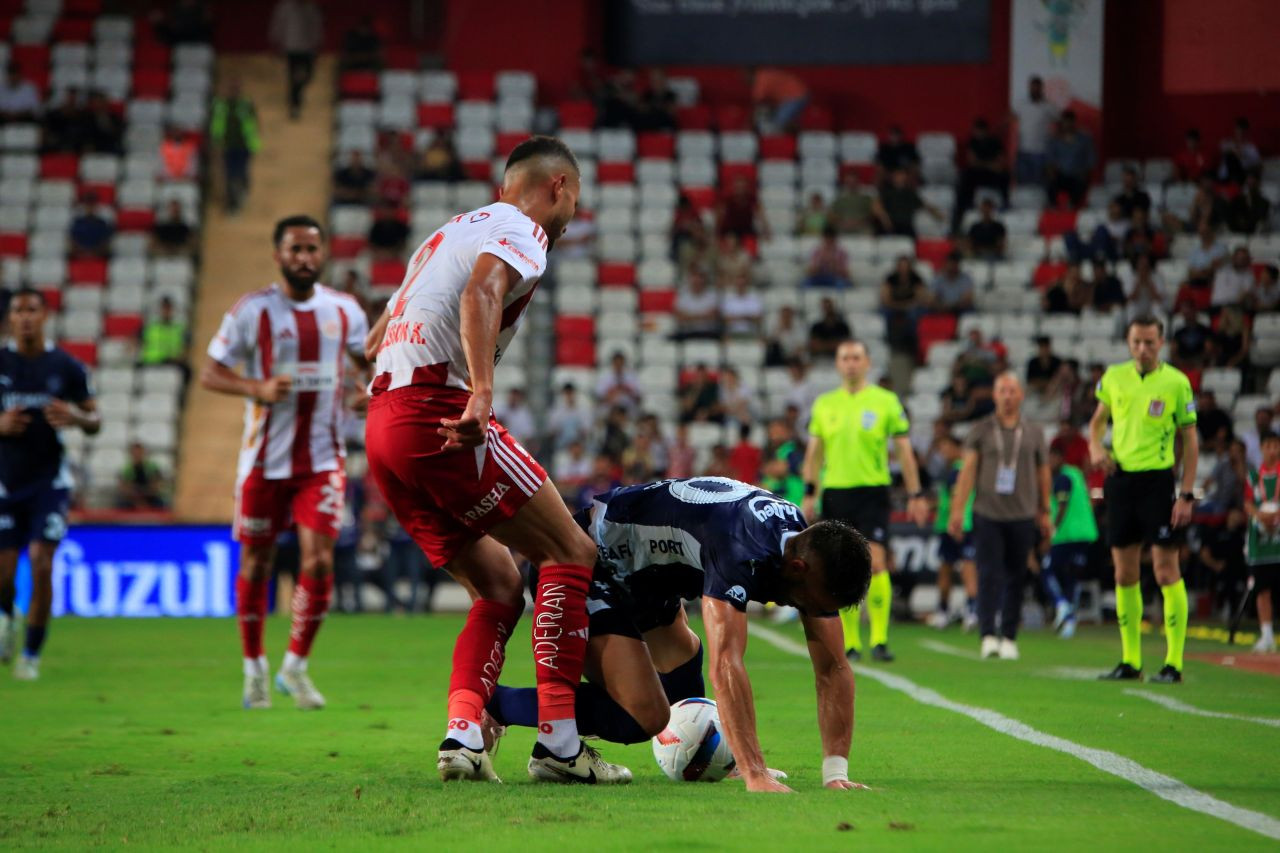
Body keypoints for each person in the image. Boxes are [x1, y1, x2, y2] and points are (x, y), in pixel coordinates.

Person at [363, 137, 629, 784]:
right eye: (576, 199)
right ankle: (560, 744)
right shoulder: (524, 226)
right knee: (572, 549)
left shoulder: (449, 231)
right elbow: (481, 291)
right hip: (438, 412)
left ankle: (463, 735)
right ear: (559, 185)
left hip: (383, 427)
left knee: (500, 586)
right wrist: (480, 391)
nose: (572, 216)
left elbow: (373, 337)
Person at [487, 477, 873, 793]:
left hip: (645, 580)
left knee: (683, 662)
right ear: (799, 568)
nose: (812, 611)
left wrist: (835, 773)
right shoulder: (740, 547)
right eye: (813, 602)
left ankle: (734, 760)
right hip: (586, 563)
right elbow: (728, 665)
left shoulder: (800, 540)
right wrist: (756, 772)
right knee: (643, 716)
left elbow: (833, 667)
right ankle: (495, 704)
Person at [200, 215, 370, 711]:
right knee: (257, 562)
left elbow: (368, 371)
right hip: (262, 461)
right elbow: (210, 372)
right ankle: (253, 667)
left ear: (323, 254)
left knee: (319, 559)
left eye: (312, 249)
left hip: (322, 459)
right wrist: (254, 387)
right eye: (295, 249)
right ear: (278, 255)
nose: (304, 258)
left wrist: (366, 394)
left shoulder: (345, 311)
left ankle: (294, 668)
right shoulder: (253, 311)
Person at [802, 340, 929, 662]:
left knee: (877, 562)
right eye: (845, 358)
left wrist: (915, 493)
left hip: (873, 492)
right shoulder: (824, 404)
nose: (851, 363)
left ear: (867, 363)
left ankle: (880, 639)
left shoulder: (885, 401)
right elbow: (814, 453)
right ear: (837, 364)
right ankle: (852, 643)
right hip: (836, 492)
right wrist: (810, 491)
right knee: (840, 567)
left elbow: (904, 451)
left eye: (856, 357)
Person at [1089, 316, 1198, 683]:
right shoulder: (1114, 377)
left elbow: (1191, 440)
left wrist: (1186, 493)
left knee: (1166, 570)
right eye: (1137, 342)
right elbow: (1097, 422)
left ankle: (1174, 663)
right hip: (1120, 481)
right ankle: (1131, 661)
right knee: (1124, 572)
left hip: (1157, 482)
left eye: (1150, 342)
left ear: (1161, 342)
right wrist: (1094, 446)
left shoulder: (1176, 382)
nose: (1143, 349)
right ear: (1128, 340)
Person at [0, 289, 100, 679]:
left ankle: (31, 656)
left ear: (45, 316)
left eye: (32, 310)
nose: (25, 317)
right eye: (18, 311)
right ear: (10, 318)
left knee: (42, 565)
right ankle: (7, 621)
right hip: (6, 484)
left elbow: (96, 422)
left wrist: (75, 417)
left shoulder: (67, 367)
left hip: (50, 484)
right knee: (4, 578)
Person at [948, 373, 1050, 660]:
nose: (1007, 396)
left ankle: (1009, 635)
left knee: (1017, 576)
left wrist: (1045, 510)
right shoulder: (980, 429)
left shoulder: (1033, 432)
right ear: (994, 395)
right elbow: (967, 472)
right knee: (988, 574)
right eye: (1002, 390)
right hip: (987, 513)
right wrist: (958, 511)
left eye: (1012, 391)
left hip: (1023, 513)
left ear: (1021, 395)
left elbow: (1043, 472)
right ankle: (988, 634)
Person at [1038, 445, 1099, 639]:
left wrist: (1051, 534)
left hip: (1067, 535)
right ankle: (1070, 622)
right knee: (1071, 576)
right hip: (1084, 534)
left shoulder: (1063, 478)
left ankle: (1061, 604)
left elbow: (1062, 507)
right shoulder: (1075, 474)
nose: (1049, 462)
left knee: (1047, 570)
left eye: (1052, 458)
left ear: (1060, 458)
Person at [930, 434, 977, 631]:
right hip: (951, 525)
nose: (942, 452)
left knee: (966, 569)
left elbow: (956, 498)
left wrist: (954, 522)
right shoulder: (952, 471)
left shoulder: (959, 471)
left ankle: (969, 611)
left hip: (959, 526)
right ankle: (950, 611)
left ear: (956, 447)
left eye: (945, 447)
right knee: (948, 568)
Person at [1243, 432, 1280, 653]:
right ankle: (1266, 635)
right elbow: (1247, 502)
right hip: (1259, 539)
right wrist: (1260, 516)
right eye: (1268, 446)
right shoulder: (1254, 476)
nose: (1272, 450)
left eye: (1276, 446)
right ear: (1262, 449)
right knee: (1262, 588)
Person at [210, 80, 261, 213]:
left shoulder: (246, 104)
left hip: (244, 145)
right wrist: (217, 142)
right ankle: (232, 202)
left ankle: (243, 192)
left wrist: (254, 143)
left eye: (236, 89)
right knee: (230, 175)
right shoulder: (221, 105)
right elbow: (216, 125)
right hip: (228, 145)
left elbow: (253, 124)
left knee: (242, 171)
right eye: (232, 89)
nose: (234, 92)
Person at [953, 117, 1009, 233]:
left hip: (992, 174)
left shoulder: (995, 141)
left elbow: (1000, 162)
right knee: (965, 176)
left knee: (1004, 175)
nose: (977, 133)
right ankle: (963, 208)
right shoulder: (972, 142)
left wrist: (983, 164)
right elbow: (971, 161)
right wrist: (988, 164)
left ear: (985, 131)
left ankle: (1006, 203)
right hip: (978, 174)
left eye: (978, 131)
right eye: (975, 131)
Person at [269, 0, 322, 119]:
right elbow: (277, 25)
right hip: (291, 47)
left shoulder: (311, 8)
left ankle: (296, 96)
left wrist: (317, 44)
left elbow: (316, 26)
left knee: (307, 76)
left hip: (307, 48)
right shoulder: (284, 7)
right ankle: (295, 104)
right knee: (293, 77)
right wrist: (275, 43)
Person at [1011, 75, 1056, 184]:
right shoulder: (1021, 104)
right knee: (1022, 181)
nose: (1034, 90)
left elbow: (1059, 122)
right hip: (1023, 151)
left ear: (1041, 89)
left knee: (1038, 182)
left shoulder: (1048, 106)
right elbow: (1010, 117)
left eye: (1037, 88)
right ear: (1029, 88)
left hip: (1040, 152)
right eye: (1032, 88)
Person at [1044, 110, 1095, 207]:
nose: (1067, 125)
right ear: (1062, 123)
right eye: (1065, 122)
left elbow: (1091, 159)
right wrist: (1051, 170)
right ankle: (1053, 205)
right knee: (1049, 178)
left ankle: (1072, 204)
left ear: (1074, 122)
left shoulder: (1085, 139)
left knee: (1082, 179)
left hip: (1077, 175)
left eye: (1070, 122)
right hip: (1060, 175)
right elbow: (1049, 159)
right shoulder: (1054, 140)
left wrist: (1085, 170)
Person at [139, 296, 189, 377]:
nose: (165, 311)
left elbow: (185, 349)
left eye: (168, 308)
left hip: (171, 362)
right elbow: (136, 342)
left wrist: (179, 357)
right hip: (150, 362)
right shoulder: (150, 327)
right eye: (164, 308)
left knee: (187, 370)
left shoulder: (179, 328)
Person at [749, 67, 809, 134]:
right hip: (791, 97)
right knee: (776, 122)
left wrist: (749, 122)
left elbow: (757, 101)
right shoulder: (765, 73)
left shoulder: (761, 77)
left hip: (796, 96)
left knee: (779, 123)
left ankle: (795, 139)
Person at [117, 441, 167, 510]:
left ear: (144, 453)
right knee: (121, 504)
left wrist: (145, 497)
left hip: (150, 498)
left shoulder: (152, 467)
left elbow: (157, 485)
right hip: (132, 499)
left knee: (161, 504)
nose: (137, 455)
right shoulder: (126, 468)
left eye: (139, 452)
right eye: (135, 453)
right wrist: (138, 501)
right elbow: (124, 488)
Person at [1211, 246, 1255, 310]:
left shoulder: (1248, 275)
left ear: (1247, 260)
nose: (1240, 261)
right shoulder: (1222, 268)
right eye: (1238, 257)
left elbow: (1245, 294)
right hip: (1216, 306)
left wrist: (1234, 305)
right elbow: (1214, 263)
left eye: (1243, 259)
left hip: (1233, 307)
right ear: (1234, 257)